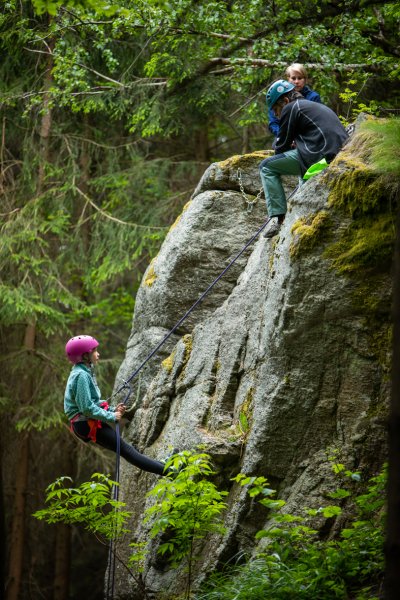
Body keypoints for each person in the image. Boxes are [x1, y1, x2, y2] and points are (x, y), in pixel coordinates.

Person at [64, 335, 166, 475]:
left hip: (86, 421)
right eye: (94, 351)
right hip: (85, 423)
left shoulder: (84, 371)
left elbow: (91, 403)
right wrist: (111, 415)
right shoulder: (81, 375)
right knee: (126, 450)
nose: (98, 354)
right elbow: (86, 408)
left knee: (126, 449)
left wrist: (113, 409)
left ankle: (165, 466)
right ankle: (170, 471)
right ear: (85, 356)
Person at [260, 79, 348, 238]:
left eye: (275, 109)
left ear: (285, 101)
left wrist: (286, 142)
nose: (275, 114)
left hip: (321, 153)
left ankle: (278, 219)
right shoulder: (311, 105)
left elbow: (281, 146)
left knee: (266, 166)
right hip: (337, 152)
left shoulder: (291, 108)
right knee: (301, 171)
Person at [268, 63, 321, 141]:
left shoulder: (313, 97)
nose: (296, 82)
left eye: (300, 78)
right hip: (284, 135)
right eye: (293, 78)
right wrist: (285, 136)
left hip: (306, 137)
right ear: (288, 79)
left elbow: (316, 122)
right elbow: (273, 123)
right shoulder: (278, 97)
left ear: (305, 79)